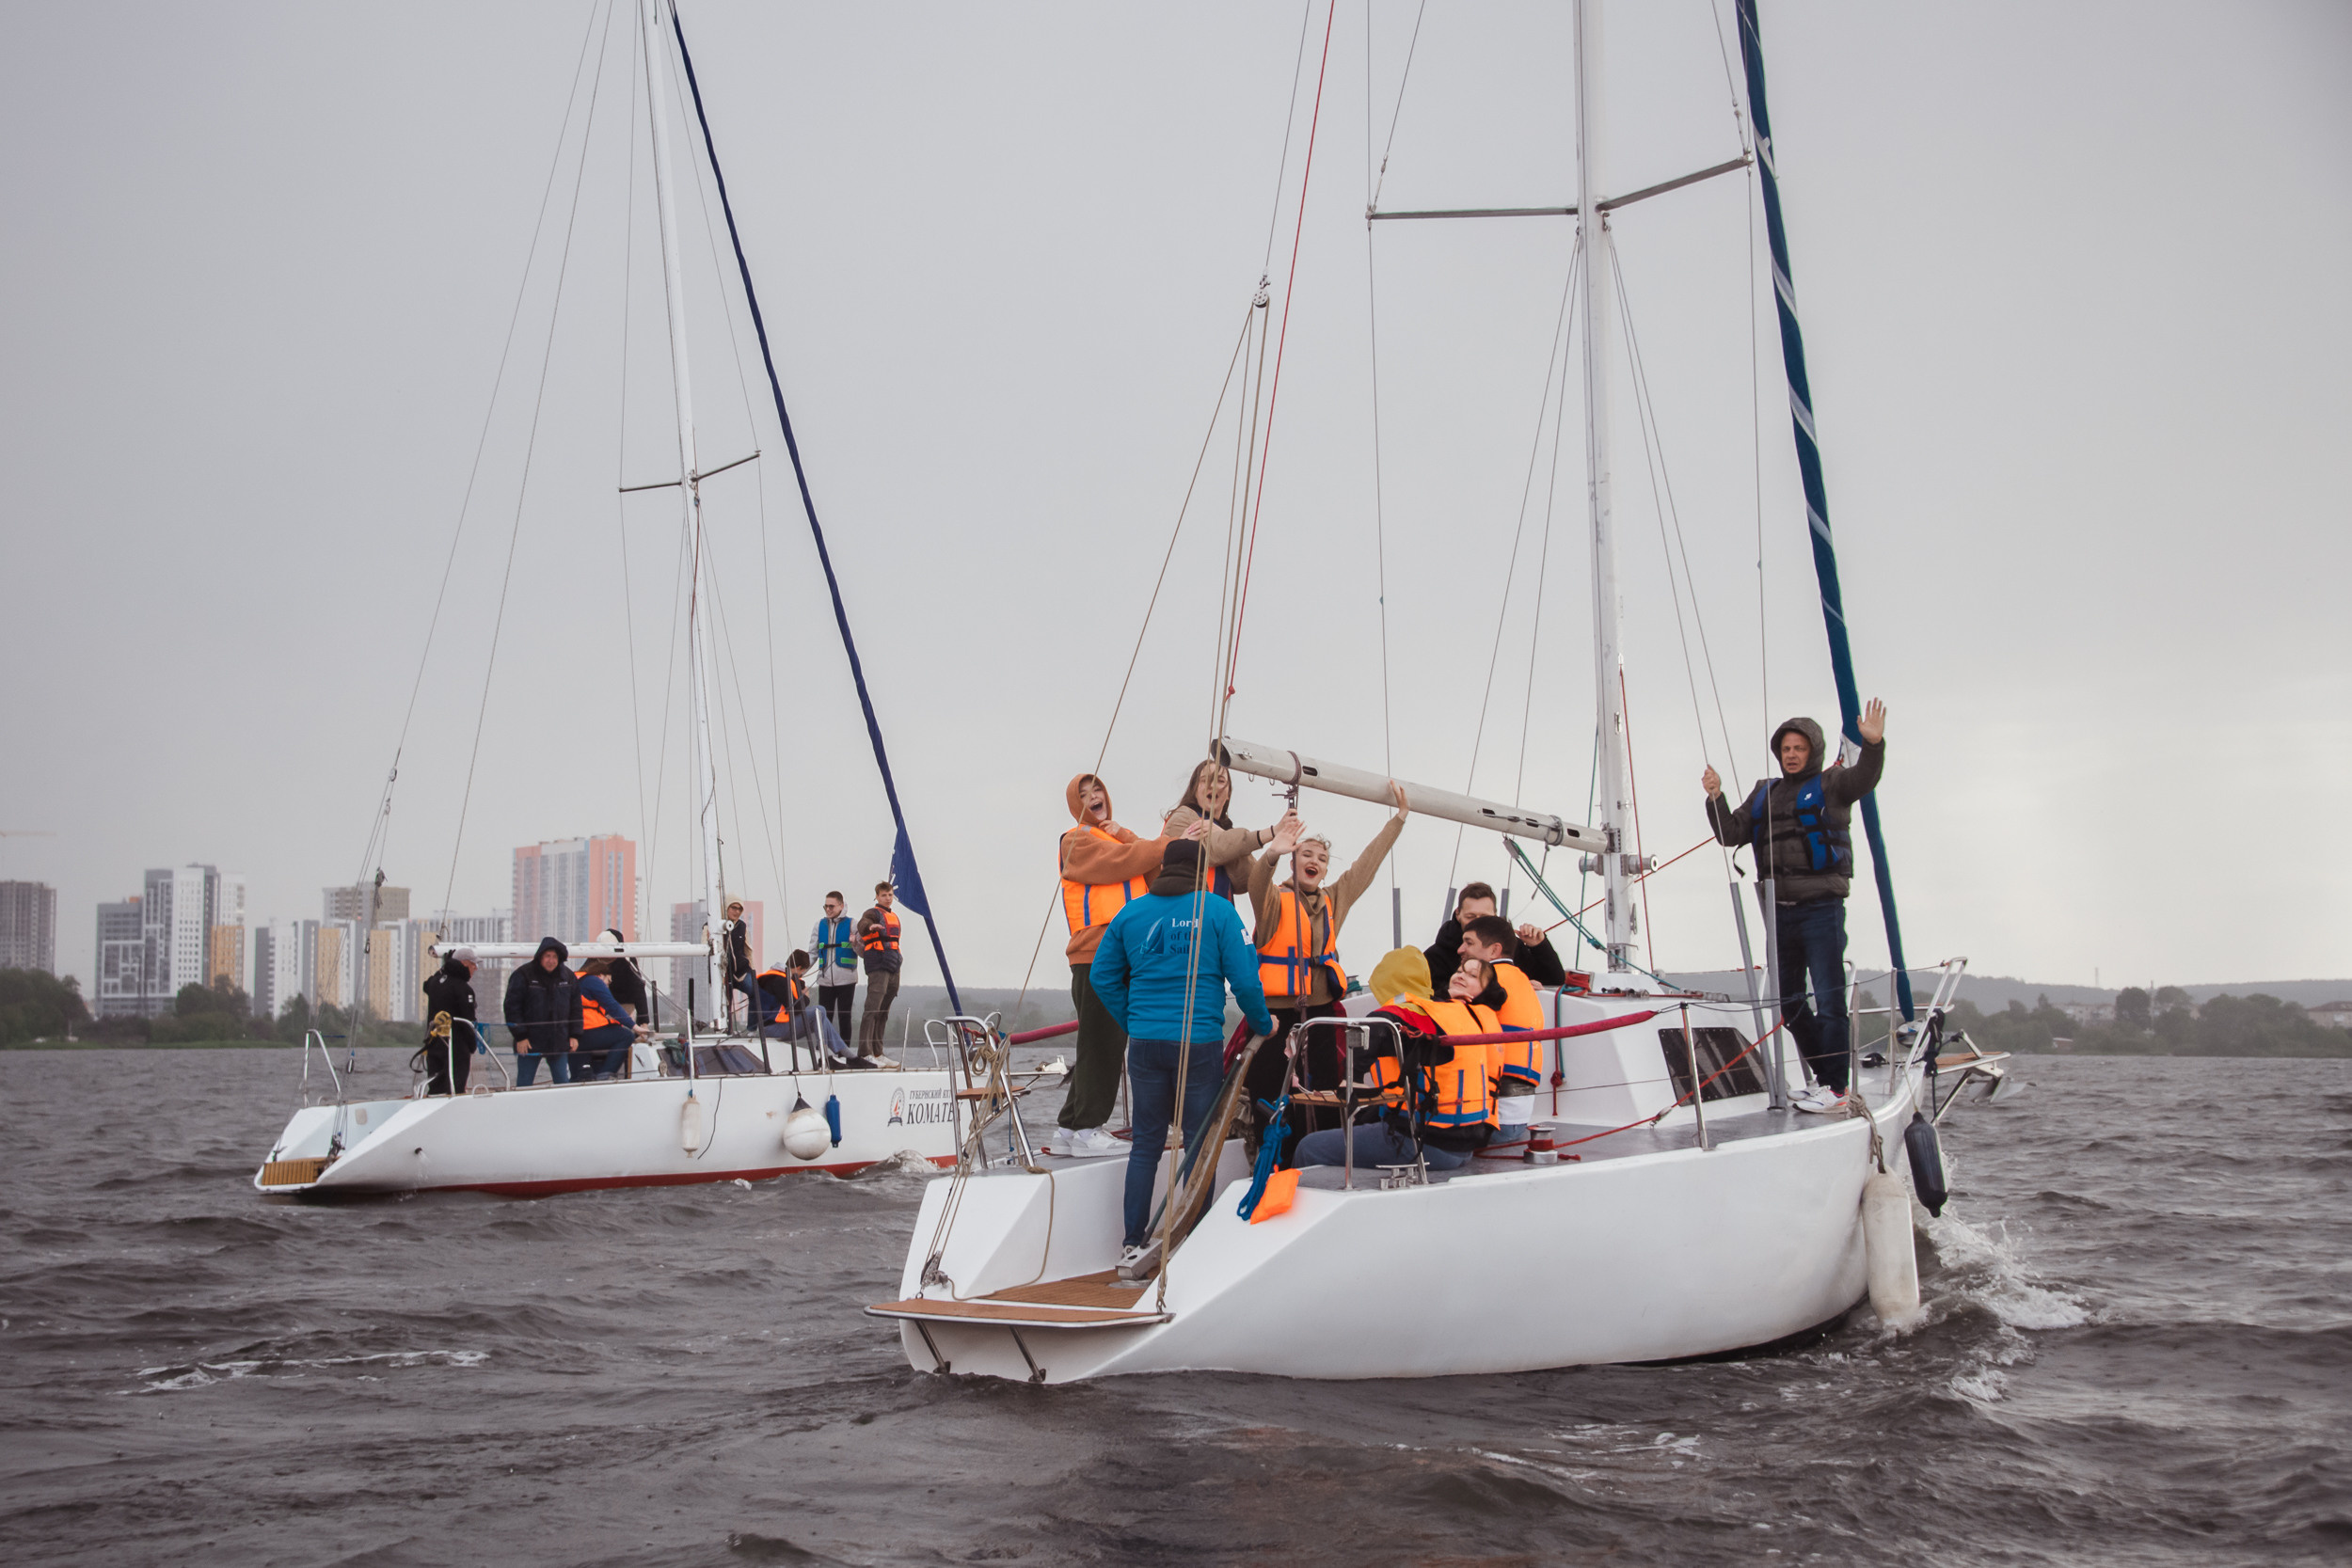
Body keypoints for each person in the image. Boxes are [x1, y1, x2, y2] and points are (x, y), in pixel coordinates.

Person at [1089, 838, 1277, 1273]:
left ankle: (1132, 1242)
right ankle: (1194, 1242)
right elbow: (1246, 982)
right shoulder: (1218, 911)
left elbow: (1102, 976)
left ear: (1160, 872)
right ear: (1204, 873)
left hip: (1146, 1044)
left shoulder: (1129, 913)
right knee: (1197, 1144)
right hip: (1198, 1044)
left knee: (1147, 1146)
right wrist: (1264, 1025)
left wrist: (1134, 1021)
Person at [1703, 701, 1887, 1111]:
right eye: (1785, 748)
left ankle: (1836, 1088)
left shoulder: (1833, 783)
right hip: (1779, 913)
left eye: (1798, 748)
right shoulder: (1764, 791)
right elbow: (1730, 833)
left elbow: (1864, 779)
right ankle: (1825, 1077)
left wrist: (1873, 746)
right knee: (1789, 1004)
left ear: (1813, 751)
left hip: (1821, 909)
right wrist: (1715, 797)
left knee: (1829, 998)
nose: (1790, 754)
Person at [1243, 783, 1409, 1154]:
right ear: (1294, 860)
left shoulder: (1334, 899)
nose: (1314, 859)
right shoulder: (1275, 900)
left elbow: (1366, 866)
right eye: (1306, 853)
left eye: (1320, 856)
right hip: (1273, 1018)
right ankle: (1271, 1160)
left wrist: (1398, 820)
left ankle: (1320, 1156)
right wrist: (1271, 853)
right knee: (1270, 1092)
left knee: (1325, 1091)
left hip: (1319, 1015)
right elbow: (1256, 885)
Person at [1293, 947, 1496, 1173]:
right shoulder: (1456, 1014)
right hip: (1463, 1145)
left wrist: (1352, 1080)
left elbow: (1378, 1025)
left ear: (1386, 983)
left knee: (1308, 1147)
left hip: (1424, 1144)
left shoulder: (1403, 1016)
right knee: (1364, 1123)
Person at [1056, 772, 1168, 1158]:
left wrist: (1129, 834)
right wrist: (1164, 842)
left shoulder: (1117, 838)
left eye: (1097, 790)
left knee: (1099, 1042)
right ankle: (1089, 1128)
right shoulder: (1076, 840)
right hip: (1096, 953)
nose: (1093, 798)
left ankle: (1070, 1127)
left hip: (1122, 953)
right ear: (1076, 806)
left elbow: (1156, 872)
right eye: (1083, 795)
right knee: (1104, 1043)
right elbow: (1128, 861)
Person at [1454, 915, 1545, 1151]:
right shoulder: (1521, 979)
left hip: (1492, 1124)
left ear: (1494, 950)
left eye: (1469, 942)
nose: (1460, 949)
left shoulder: (1487, 981)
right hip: (1516, 1120)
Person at [1161, 759, 1295, 903]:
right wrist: (1272, 832)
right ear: (1194, 789)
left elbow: (1248, 880)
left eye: (1220, 781)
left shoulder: (1226, 833)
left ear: (1228, 793)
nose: (1212, 785)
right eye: (1205, 780)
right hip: (1185, 915)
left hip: (1220, 917)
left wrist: (1273, 853)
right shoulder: (1183, 817)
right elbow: (1211, 852)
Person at [1424, 882, 1573, 996]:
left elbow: (1554, 981)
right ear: (1458, 914)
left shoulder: (1514, 947)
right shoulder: (1435, 957)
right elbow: (1433, 997)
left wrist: (1539, 946)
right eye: (1470, 917)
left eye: (1484, 917)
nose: (1477, 922)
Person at [502, 937, 582, 1086]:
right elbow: (512, 1007)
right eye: (547, 956)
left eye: (554, 957)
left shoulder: (569, 977)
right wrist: (520, 1036)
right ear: (540, 956)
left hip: (559, 1041)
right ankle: (521, 1109)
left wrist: (575, 1035)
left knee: (563, 1084)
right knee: (524, 1083)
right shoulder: (523, 975)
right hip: (529, 1042)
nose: (551, 960)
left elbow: (576, 1008)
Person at [853, 881, 903, 1062]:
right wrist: (870, 927)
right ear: (877, 897)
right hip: (878, 964)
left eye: (890, 895)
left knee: (884, 1011)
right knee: (872, 1008)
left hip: (893, 964)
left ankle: (878, 1052)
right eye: (883, 895)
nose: (887, 898)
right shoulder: (872, 913)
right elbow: (863, 924)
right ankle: (864, 1052)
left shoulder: (895, 917)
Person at [420, 945, 479, 1096]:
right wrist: (472, 1046)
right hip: (456, 1047)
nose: (476, 968)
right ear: (465, 964)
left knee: (436, 1087)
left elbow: (426, 985)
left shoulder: (435, 982)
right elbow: (468, 1021)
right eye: (473, 964)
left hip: (434, 1044)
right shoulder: (464, 989)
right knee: (455, 1088)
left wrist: (445, 968)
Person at [573, 958, 642, 1081]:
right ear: (601, 975)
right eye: (608, 981)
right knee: (626, 1036)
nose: (608, 985)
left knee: (580, 1076)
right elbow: (612, 1006)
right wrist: (634, 1026)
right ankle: (606, 1075)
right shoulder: (594, 980)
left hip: (573, 1036)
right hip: (586, 1032)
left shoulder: (575, 980)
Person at [808, 892, 859, 1043]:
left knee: (845, 1016)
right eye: (826, 906)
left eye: (831, 906)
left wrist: (855, 943)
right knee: (824, 1017)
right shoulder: (819, 925)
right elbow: (812, 953)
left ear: (841, 905)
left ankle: (845, 1052)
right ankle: (823, 1050)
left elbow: (862, 951)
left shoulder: (852, 924)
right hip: (824, 980)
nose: (828, 909)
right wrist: (797, 973)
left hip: (846, 979)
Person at [596, 927, 651, 1026]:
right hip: (601, 1003)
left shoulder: (626, 961)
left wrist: (643, 1021)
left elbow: (638, 987)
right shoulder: (595, 958)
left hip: (624, 1002)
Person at [718, 901, 755, 1030]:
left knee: (755, 991)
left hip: (742, 971)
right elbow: (706, 946)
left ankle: (751, 1029)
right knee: (725, 1004)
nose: (737, 912)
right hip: (722, 974)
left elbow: (748, 950)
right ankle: (726, 1030)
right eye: (734, 908)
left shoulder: (742, 926)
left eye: (740, 909)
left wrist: (753, 970)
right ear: (726, 908)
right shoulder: (713, 927)